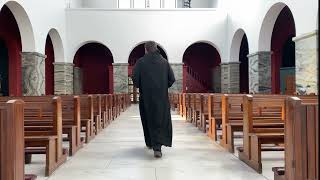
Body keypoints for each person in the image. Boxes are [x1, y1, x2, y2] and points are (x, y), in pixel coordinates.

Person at [132, 41, 175, 158]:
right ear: (156, 49)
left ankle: (150, 143)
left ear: (146, 50)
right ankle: (158, 147)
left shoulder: (140, 62)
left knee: (147, 120)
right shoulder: (164, 62)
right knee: (160, 120)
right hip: (161, 98)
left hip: (146, 98)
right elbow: (172, 79)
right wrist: (162, 86)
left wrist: (144, 86)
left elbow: (135, 81)